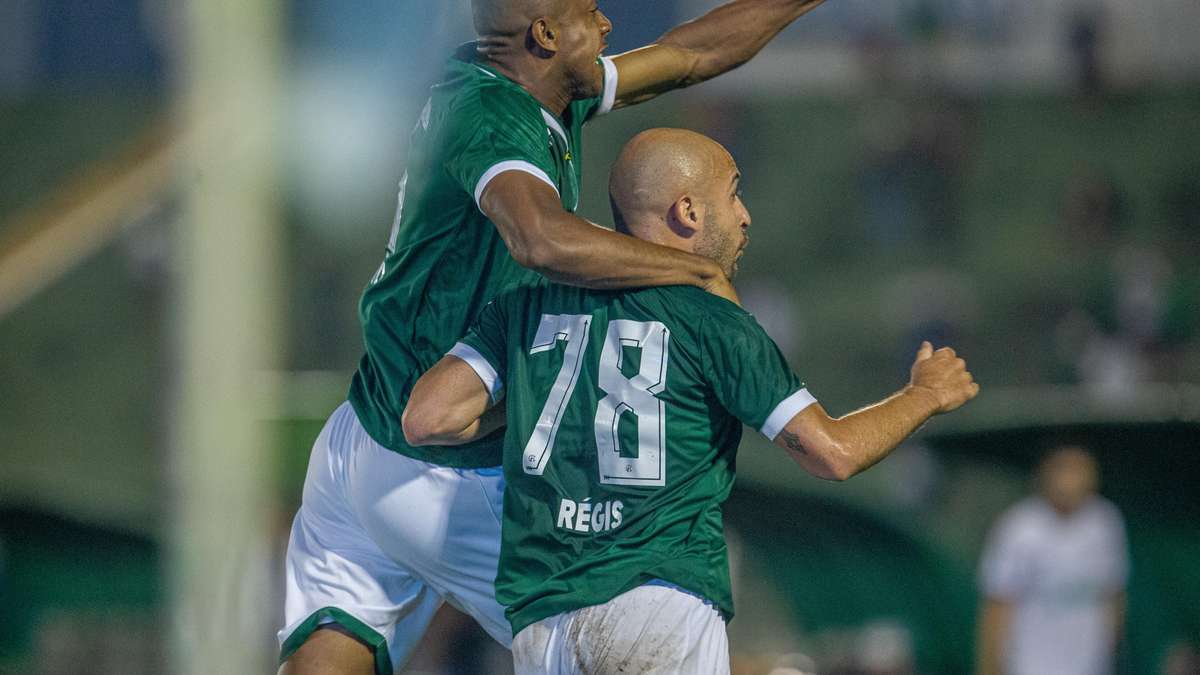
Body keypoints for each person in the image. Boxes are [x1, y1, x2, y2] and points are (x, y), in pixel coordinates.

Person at [279, 1, 837, 673]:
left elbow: (692, 54)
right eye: (589, 11)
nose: (606, 23)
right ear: (544, 35)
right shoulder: (494, 117)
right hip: (452, 474)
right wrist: (694, 269)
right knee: (644, 623)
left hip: (363, 440)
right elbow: (539, 237)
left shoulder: (528, 91)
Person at [403, 128, 980, 674]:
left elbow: (428, 418)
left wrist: (543, 397)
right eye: (733, 194)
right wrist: (922, 395)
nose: (746, 214)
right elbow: (832, 452)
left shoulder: (527, 305)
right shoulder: (713, 320)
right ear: (687, 212)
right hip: (657, 601)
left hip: (541, 625)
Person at [976, 445, 1129, 675]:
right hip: (1030, 667)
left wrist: (1110, 650)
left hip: (1090, 666)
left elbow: (1113, 594)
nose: (1070, 479)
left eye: (1078, 469)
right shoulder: (1019, 528)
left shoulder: (1105, 522)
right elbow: (997, 607)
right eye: (1063, 469)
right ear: (1045, 473)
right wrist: (990, 668)